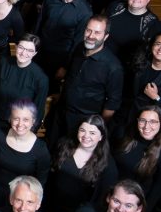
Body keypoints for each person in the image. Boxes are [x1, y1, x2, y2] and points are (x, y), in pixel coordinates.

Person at [45, 16, 123, 147]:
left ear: (106, 36)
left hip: (84, 122)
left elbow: (112, 104)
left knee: (70, 155)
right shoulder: (79, 48)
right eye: (88, 30)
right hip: (61, 112)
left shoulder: (113, 67)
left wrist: (97, 128)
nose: (91, 36)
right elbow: (68, 75)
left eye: (97, 32)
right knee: (51, 145)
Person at [44, 115, 118, 212]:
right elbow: (49, 176)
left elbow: (101, 200)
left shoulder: (108, 165)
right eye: (82, 130)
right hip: (51, 208)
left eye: (92, 133)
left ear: (101, 137)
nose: (86, 136)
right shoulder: (63, 146)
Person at [0, 101, 51, 210]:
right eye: (16, 118)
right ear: (10, 119)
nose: (20, 124)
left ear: (33, 121)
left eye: (26, 119)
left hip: (21, 202)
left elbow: (41, 183)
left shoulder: (41, 150)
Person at [35, 0, 93, 87]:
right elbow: (39, 23)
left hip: (59, 59)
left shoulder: (85, 12)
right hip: (39, 52)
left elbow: (78, 43)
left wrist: (65, 67)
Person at [114, 107, 161, 212]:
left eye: (153, 122)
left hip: (132, 205)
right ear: (137, 121)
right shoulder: (123, 134)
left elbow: (157, 189)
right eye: (143, 121)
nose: (147, 126)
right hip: (112, 194)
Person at [0, 34, 49, 134]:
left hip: (20, 127)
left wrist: (29, 132)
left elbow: (38, 110)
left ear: (35, 53)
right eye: (21, 48)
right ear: (16, 47)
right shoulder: (3, 63)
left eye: (30, 50)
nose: (23, 53)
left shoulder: (41, 78)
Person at [105, 0, 161, 67]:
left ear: (148, 0)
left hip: (123, 67)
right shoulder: (115, 7)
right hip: (101, 57)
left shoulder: (152, 23)